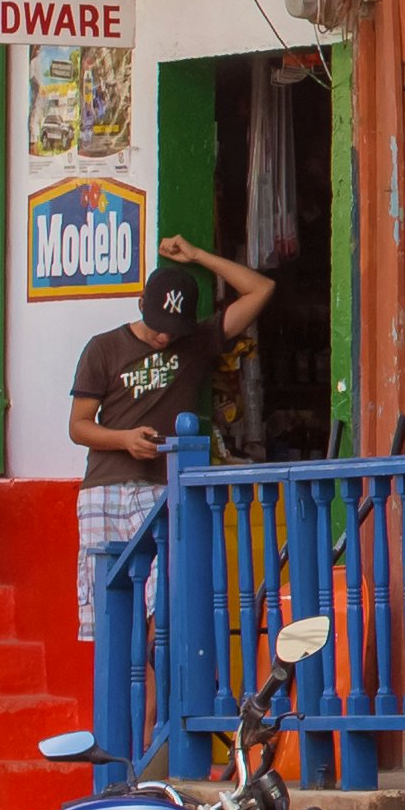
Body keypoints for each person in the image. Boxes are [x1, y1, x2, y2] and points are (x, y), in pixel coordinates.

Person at [70, 242, 276, 668]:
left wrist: (199, 255)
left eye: (173, 328)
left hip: (161, 488)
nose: (165, 335)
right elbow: (79, 427)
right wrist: (124, 439)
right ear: (140, 303)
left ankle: (152, 727)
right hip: (104, 488)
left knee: (160, 613)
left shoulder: (196, 342)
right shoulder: (103, 348)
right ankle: (117, 730)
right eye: (158, 324)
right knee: (108, 616)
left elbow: (261, 290)